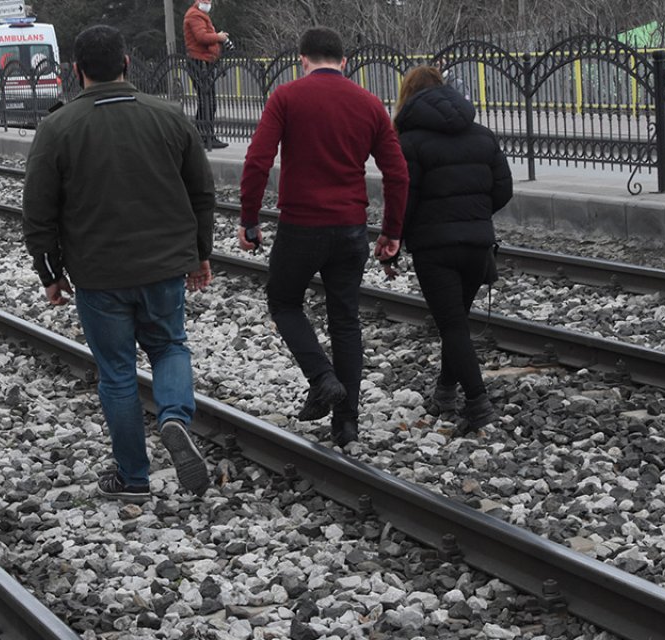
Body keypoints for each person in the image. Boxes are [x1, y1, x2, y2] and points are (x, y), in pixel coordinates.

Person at [23, 25, 216, 502]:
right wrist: (200, 254)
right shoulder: (170, 118)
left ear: (75, 70)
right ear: (127, 64)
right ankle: (173, 417)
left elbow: (38, 210)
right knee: (170, 347)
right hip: (164, 267)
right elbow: (202, 194)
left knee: (117, 374)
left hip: (98, 274)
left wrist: (49, 273)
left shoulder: (58, 127)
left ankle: (132, 477)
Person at [238, 27, 409, 448]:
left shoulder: (286, 97)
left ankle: (321, 378)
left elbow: (258, 160)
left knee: (283, 301)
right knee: (345, 320)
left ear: (303, 59)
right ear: (344, 62)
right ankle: (346, 425)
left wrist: (249, 220)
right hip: (351, 229)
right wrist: (391, 232)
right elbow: (398, 174)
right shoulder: (369, 103)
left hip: (301, 226)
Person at [392, 66, 512, 432]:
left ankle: (477, 402)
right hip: (478, 246)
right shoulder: (483, 135)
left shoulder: (409, 142)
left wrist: (393, 243)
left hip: (435, 249)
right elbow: (503, 190)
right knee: (456, 320)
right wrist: (474, 217)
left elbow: (404, 200)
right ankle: (445, 390)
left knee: (452, 324)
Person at [183, 0, 230, 150]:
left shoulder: (199, 15)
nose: (208, 3)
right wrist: (219, 37)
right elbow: (201, 37)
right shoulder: (195, 16)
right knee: (207, 100)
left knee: (206, 99)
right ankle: (205, 136)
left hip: (203, 61)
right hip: (199, 62)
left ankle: (203, 136)